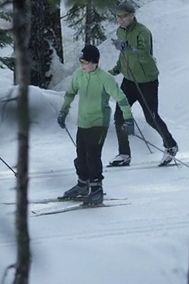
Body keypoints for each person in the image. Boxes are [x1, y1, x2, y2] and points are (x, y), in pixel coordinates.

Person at [57, 45, 134, 205]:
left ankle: (97, 189)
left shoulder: (105, 78)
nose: (82, 65)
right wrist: (64, 111)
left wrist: (128, 119)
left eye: (85, 62)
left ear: (94, 62)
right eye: (81, 62)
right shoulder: (79, 74)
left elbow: (121, 99)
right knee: (81, 155)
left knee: (92, 156)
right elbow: (70, 92)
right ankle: (82, 185)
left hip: (99, 123)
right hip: (83, 122)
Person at [108, 1, 178, 167]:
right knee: (120, 114)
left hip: (147, 81)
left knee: (151, 118)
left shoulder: (142, 32)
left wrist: (127, 48)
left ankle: (171, 146)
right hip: (129, 80)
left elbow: (144, 54)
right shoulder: (120, 31)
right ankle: (124, 154)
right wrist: (116, 70)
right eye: (118, 16)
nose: (120, 19)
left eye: (124, 16)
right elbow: (123, 56)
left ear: (132, 16)